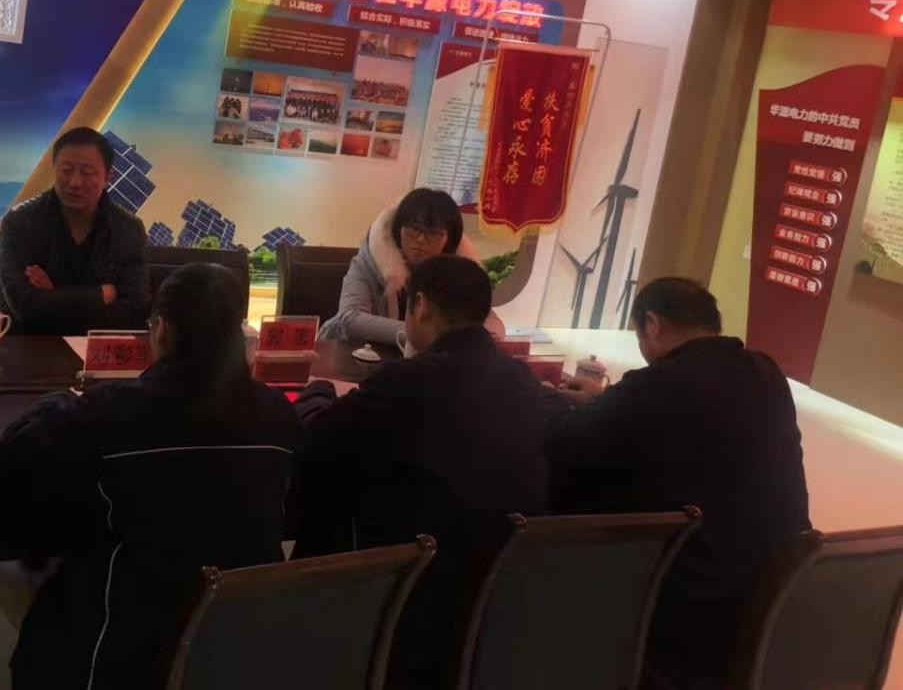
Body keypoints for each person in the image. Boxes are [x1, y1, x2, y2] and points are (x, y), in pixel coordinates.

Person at [0, 263, 299, 690]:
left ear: (162, 328)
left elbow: (17, 450)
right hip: (236, 651)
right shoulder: (277, 415)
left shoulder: (111, 414)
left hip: (119, 657)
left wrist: (62, 400)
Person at [296, 255, 548, 690]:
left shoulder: (406, 382)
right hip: (497, 602)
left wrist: (317, 392)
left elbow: (319, 444)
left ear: (420, 305)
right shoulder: (523, 383)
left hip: (411, 602)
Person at [546, 278, 810, 689]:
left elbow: (566, 442)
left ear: (652, 324)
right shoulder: (765, 373)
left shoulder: (660, 385)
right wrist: (607, 401)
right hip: (775, 595)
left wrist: (554, 399)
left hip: (695, 607)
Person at [0, 127, 149, 335]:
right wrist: (100, 295)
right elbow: (25, 307)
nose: (75, 182)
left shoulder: (128, 230)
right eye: (66, 171)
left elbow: (134, 311)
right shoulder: (20, 222)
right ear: (54, 170)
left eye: (87, 173)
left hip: (94, 349)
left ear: (108, 177)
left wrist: (54, 295)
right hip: (27, 343)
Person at [319, 187, 504, 346]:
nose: (421, 240)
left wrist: (472, 340)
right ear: (398, 229)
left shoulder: (459, 272)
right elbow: (350, 318)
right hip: (356, 354)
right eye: (414, 229)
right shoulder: (370, 262)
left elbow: (492, 322)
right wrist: (427, 336)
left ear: (449, 241)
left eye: (433, 233)